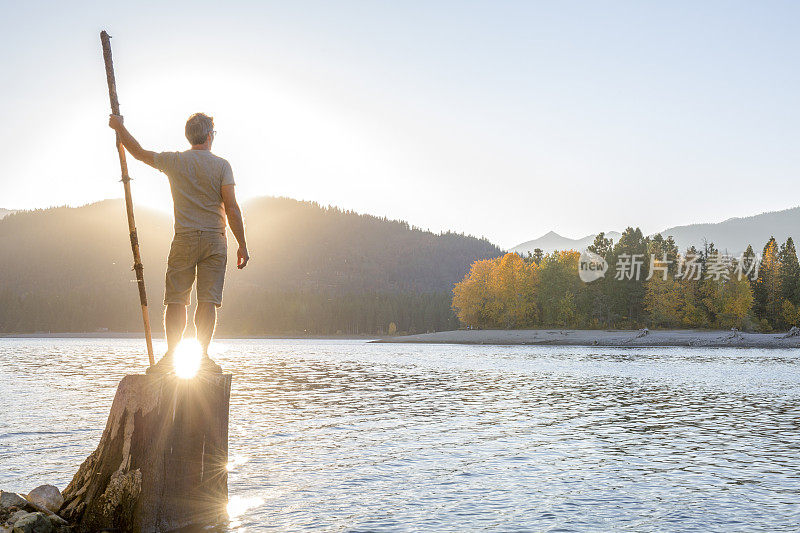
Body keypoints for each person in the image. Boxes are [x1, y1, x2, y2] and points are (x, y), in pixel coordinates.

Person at [108, 112, 249, 373]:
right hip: (215, 239)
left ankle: (172, 356)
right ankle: (203, 358)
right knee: (207, 301)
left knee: (176, 300)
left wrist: (120, 128)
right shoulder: (222, 166)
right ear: (209, 136)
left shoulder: (175, 161)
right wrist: (242, 244)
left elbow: (138, 152)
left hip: (184, 237)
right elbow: (232, 207)